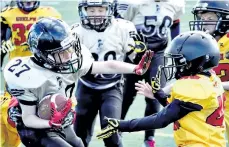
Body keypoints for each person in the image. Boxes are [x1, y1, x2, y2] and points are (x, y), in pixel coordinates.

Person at [4, 17, 153, 147]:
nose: (69, 55)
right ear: (43, 55)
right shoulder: (28, 76)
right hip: (34, 127)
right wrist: (50, 124)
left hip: (58, 119)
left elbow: (107, 65)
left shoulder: (70, 63)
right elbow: (28, 118)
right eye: (61, 53)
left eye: (69, 49)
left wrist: (135, 69)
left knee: (79, 144)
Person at [96, 31, 227, 147]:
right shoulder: (210, 79)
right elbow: (178, 109)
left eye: (179, 61)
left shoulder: (193, 87)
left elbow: (161, 119)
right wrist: (158, 94)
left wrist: (121, 125)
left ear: (196, 62)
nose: (175, 65)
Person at [72, 0, 147, 146]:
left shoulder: (123, 27)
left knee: (111, 134)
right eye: (91, 11)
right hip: (86, 86)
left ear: (110, 10)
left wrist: (140, 53)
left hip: (112, 87)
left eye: (101, 10)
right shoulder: (76, 32)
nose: (96, 15)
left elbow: (135, 60)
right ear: (83, 11)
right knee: (79, 136)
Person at [115, 0, 185, 146]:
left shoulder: (175, 3)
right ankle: (116, 130)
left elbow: (175, 24)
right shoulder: (133, 3)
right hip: (134, 55)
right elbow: (119, 26)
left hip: (158, 54)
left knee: (155, 96)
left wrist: (177, 49)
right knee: (126, 96)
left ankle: (149, 139)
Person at [0, 1, 61, 147]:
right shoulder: (7, 14)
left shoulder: (50, 13)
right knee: (10, 119)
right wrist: (2, 47)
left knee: (48, 117)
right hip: (17, 74)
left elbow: (60, 43)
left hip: (43, 73)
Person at [189, 1, 229, 146]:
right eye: (202, 19)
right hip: (211, 104)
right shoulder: (201, 42)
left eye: (209, 19)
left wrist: (217, 85)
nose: (204, 24)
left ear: (226, 19)